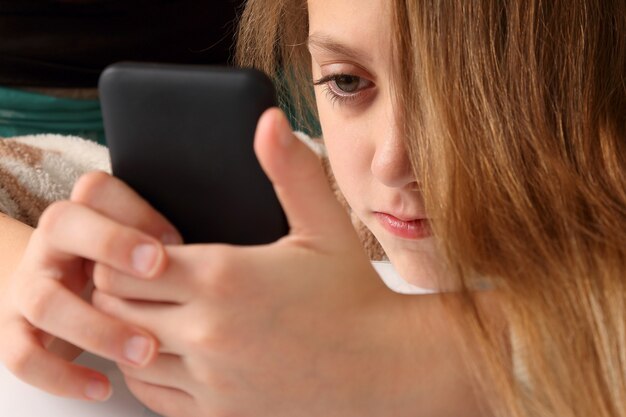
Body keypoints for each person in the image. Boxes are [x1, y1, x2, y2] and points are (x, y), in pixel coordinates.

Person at [1, 1, 625, 417]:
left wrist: (400, 353)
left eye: (474, 94)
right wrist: (36, 271)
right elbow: (27, 175)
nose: (391, 164)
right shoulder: (318, 190)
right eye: (348, 83)